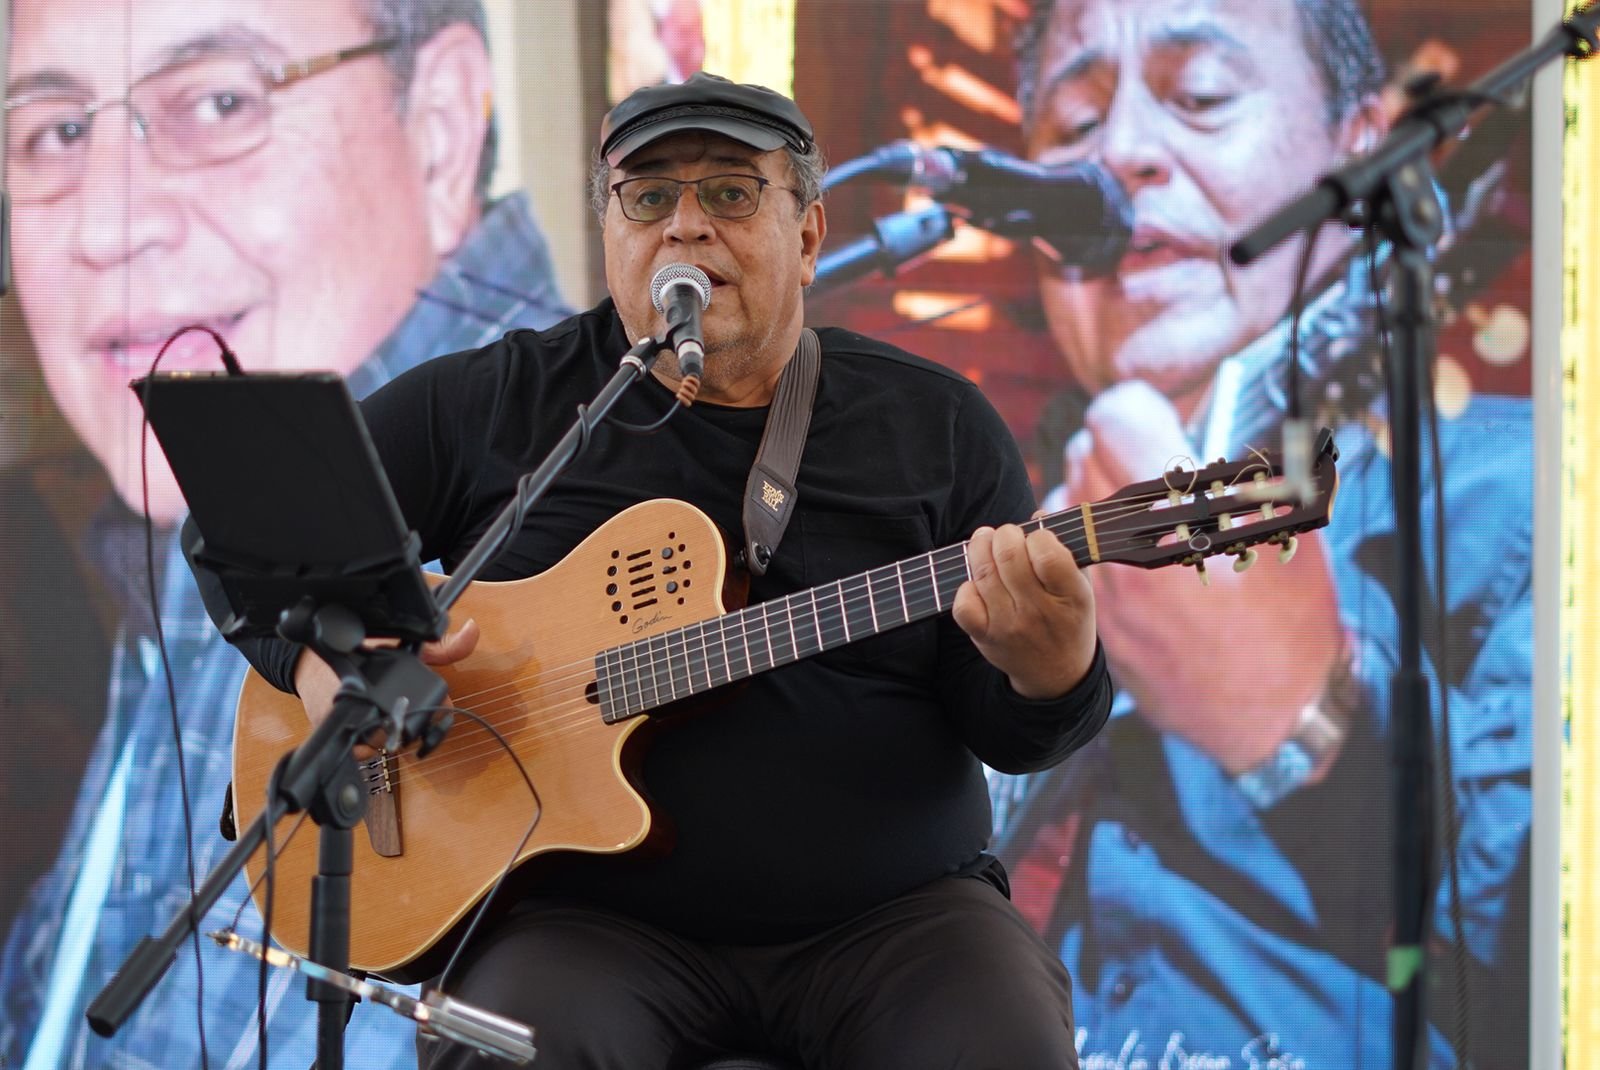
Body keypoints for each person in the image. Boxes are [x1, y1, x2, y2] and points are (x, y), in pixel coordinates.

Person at [215, 71, 1114, 1069]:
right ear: (609, 231)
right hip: (582, 923)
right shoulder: (497, 402)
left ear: (808, 234)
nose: (686, 225)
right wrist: (324, 664)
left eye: (731, 191)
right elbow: (246, 534)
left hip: (894, 923)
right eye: (648, 197)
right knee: (510, 1052)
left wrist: (1052, 671)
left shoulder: (937, 426)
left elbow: (1013, 729)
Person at [0, 0, 571, 1066]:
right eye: (56, 131)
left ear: (440, 127)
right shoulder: (213, 490)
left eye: (219, 102)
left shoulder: (596, 514)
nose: (104, 229)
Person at [991, 0, 1534, 1066]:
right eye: (1073, 127)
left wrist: (1307, 721)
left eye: (1200, 96)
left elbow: (1551, 966)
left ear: (1362, 155)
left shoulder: (1537, 501)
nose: (1122, 154)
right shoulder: (994, 534)